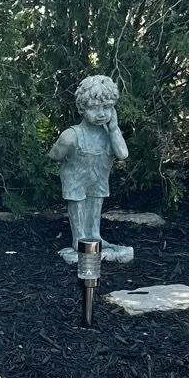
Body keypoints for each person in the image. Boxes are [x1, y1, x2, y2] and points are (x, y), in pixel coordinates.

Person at [49, 74, 128, 253]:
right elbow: (54, 155)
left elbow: (122, 154)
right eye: (94, 108)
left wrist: (114, 128)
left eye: (107, 107)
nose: (101, 113)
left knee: (95, 202)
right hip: (76, 176)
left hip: (99, 176)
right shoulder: (71, 136)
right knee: (77, 203)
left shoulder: (110, 134)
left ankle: (94, 235)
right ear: (82, 109)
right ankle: (79, 239)